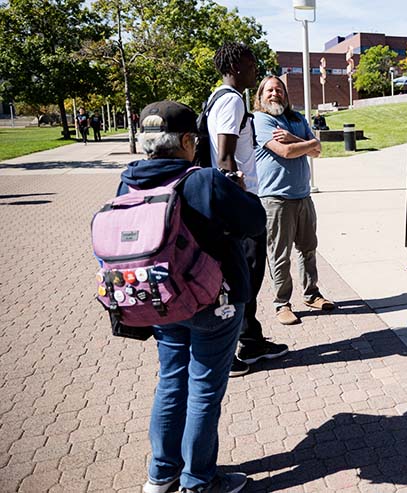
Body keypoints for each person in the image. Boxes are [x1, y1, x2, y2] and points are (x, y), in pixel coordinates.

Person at [122, 101, 261, 493]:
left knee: (170, 381)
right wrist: (237, 190)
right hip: (211, 302)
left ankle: (161, 473)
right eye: (194, 140)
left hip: (158, 300)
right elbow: (253, 222)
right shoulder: (203, 181)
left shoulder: (128, 180)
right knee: (203, 390)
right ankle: (199, 480)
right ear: (186, 141)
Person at [208, 42, 288, 377]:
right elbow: (225, 155)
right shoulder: (230, 100)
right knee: (244, 277)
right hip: (239, 201)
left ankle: (252, 339)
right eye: (252, 63)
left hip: (238, 198)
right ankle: (230, 350)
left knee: (248, 274)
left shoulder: (220, 97)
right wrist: (236, 200)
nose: (256, 68)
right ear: (238, 64)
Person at [252, 75, 335, 326]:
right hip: (275, 199)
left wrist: (296, 138)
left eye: (279, 89)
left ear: (286, 94)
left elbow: (317, 150)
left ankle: (311, 294)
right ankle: (282, 304)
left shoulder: (297, 119)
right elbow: (285, 152)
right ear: (260, 95)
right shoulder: (261, 120)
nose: (274, 93)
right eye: (269, 90)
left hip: (303, 196)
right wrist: (304, 144)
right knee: (280, 255)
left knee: (308, 249)